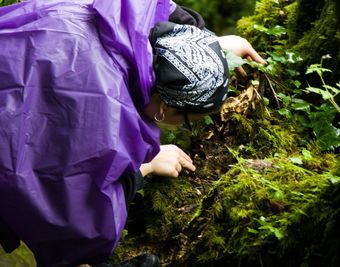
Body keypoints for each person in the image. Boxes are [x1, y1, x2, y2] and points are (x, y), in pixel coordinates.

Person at [0, 0, 265, 266]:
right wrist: (146, 166)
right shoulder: (104, 116)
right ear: (163, 108)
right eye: (187, 120)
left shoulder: (114, 16)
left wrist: (208, 46)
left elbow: (157, 7)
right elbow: (78, 220)